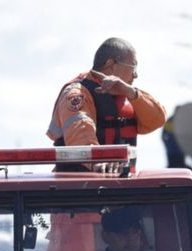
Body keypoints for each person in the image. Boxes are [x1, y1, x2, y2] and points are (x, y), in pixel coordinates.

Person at [46, 37, 166, 171]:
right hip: (79, 186)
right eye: (133, 66)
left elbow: (157, 120)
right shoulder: (77, 93)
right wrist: (98, 161)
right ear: (111, 65)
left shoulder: (129, 95)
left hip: (121, 185)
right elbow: (80, 132)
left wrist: (132, 93)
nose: (136, 75)